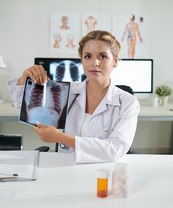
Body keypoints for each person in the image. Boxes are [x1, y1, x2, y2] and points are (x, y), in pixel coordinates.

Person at [8, 30, 140, 163]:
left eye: (103, 56)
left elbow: (115, 149)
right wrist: (25, 77)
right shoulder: (65, 91)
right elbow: (24, 108)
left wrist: (61, 138)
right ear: (81, 60)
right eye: (88, 56)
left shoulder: (128, 103)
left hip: (105, 172)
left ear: (115, 61)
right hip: (65, 167)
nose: (94, 62)